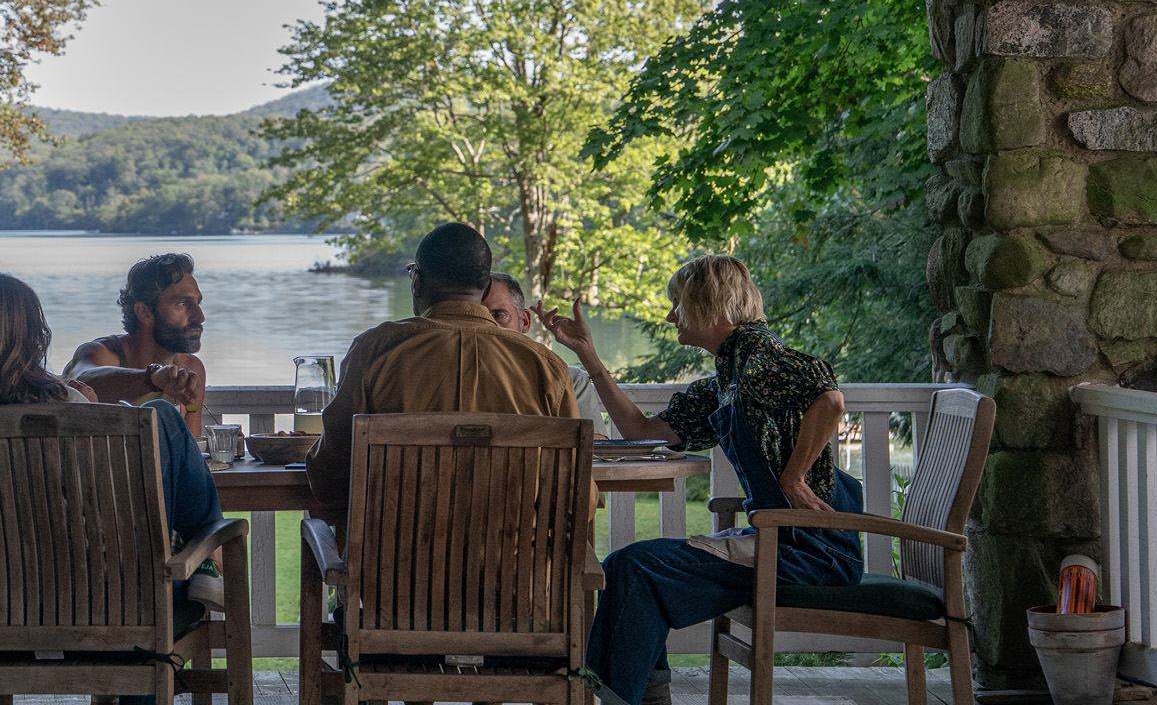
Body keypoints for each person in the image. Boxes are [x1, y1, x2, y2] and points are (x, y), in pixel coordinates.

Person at [534, 255, 861, 705]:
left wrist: (794, 479)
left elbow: (829, 398)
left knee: (635, 569)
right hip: (779, 540)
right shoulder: (727, 377)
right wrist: (587, 353)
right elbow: (643, 432)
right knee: (629, 568)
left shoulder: (756, 352)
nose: (672, 316)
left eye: (678, 304)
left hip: (811, 551)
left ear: (709, 303)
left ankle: (618, 698)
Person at [0, 270, 225, 617]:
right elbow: (101, 504)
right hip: (101, 605)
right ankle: (208, 567)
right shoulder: (67, 406)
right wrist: (87, 405)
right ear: (30, 336)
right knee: (163, 414)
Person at [305, 222, 583, 511]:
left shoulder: (374, 351)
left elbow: (328, 480)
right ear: (487, 287)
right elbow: (578, 497)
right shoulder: (546, 367)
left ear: (417, 283)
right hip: (517, 542)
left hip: (404, 541)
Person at [63, 252, 209, 436]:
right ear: (144, 312)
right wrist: (153, 378)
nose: (200, 316)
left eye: (198, 303)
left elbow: (193, 444)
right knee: (161, 409)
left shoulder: (191, 368)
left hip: (163, 457)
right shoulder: (101, 353)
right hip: (104, 455)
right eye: (182, 304)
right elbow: (82, 381)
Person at [481, 271, 601, 426]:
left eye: (498, 315)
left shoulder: (571, 381)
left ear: (524, 321)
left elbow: (593, 439)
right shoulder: (454, 376)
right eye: (475, 318)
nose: (487, 327)